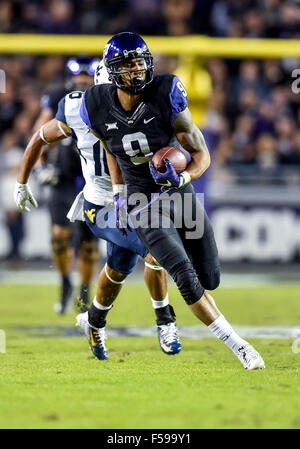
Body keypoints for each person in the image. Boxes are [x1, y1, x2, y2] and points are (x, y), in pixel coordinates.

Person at [80, 32, 265, 370]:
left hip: (178, 192)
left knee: (210, 277)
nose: (137, 71)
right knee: (182, 272)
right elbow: (109, 146)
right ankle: (239, 346)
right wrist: (120, 193)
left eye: (140, 63)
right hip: (142, 200)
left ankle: (100, 317)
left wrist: (182, 177)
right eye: (128, 66)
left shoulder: (165, 92)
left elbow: (202, 154)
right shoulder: (94, 104)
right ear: (113, 72)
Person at [14, 61, 182, 360]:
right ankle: (165, 320)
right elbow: (40, 136)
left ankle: (93, 321)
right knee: (155, 251)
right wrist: (23, 180)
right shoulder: (80, 109)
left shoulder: (140, 105)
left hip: (134, 200)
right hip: (101, 204)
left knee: (118, 269)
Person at [33, 56, 101, 314]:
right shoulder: (59, 96)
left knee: (88, 243)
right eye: (79, 77)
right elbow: (40, 132)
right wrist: (41, 166)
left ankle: (84, 292)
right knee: (59, 238)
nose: (82, 82)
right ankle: (65, 285)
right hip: (63, 175)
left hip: (92, 179)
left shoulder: (104, 98)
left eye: (87, 78)